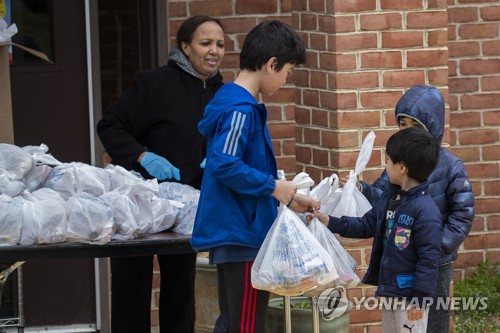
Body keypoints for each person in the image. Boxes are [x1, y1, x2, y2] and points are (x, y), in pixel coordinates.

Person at [96, 15, 225, 333]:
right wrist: (143, 155)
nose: (214, 51)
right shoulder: (155, 83)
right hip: (137, 203)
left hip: (183, 208)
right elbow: (110, 124)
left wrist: (215, 161)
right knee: (131, 288)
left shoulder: (221, 94)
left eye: (220, 44)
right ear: (185, 46)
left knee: (181, 290)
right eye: (205, 43)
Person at [190, 20, 318, 333]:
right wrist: (274, 187)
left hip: (240, 230)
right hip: (242, 235)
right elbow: (224, 163)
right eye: (287, 72)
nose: (286, 80)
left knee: (235, 323)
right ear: (271, 64)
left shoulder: (237, 103)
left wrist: (287, 197)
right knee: (246, 326)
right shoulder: (241, 109)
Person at [350, 85, 475, 333]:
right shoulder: (398, 166)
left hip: (435, 263)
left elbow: (463, 215)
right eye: (402, 124)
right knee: (405, 322)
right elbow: (381, 199)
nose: (406, 131)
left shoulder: (451, 167)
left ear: (432, 127)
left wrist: (433, 246)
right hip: (404, 264)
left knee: (434, 319)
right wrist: (360, 188)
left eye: (414, 126)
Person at [309, 126, 442, 333]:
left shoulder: (425, 211)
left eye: (388, 160)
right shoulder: (389, 199)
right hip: (390, 291)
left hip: (410, 298)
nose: (385, 165)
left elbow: (429, 259)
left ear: (403, 168)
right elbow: (365, 224)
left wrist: (420, 299)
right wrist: (329, 221)